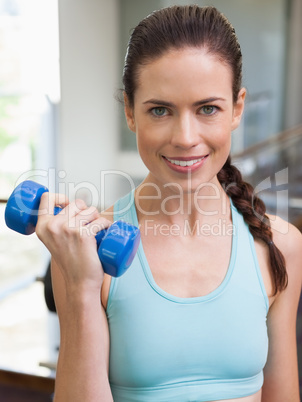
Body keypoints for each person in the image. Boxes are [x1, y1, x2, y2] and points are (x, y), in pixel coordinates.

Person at [36, 5, 302, 402]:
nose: (185, 137)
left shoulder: (281, 246)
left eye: (207, 108)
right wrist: (80, 289)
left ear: (237, 108)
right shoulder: (90, 251)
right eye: (160, 110)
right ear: (130, 111)